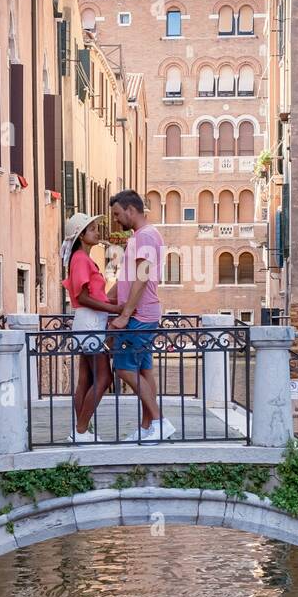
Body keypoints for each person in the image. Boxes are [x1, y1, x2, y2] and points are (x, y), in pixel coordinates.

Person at [107, 189, 176, 442]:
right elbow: (127, 277)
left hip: (139, 316)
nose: (115, 219)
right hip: (144, 314)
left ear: (130, 210)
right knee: (144, 371)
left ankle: (159, 421)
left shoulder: (145, 237)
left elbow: (142, 275)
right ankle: (149, 427)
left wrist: (125, 314)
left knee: (124, 368)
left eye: (117, 214)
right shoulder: (142, 236)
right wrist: (105, 299)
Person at [61, 212, 122, 443]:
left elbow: (93, 296)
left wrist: (115, 304)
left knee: (85, 380)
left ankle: (80, 431)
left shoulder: (82, 258)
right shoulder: (80, 259)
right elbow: (83, 297)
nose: (98, 232)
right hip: (89, 323)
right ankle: (80, 430)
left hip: (89, 321)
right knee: (104, 378)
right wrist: (116, 310)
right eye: (93, 229)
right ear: (82, 235)